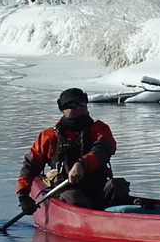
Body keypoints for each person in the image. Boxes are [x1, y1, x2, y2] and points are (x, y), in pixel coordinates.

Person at [16, 87, 129, 215]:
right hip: (66, 189)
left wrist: (82, 164)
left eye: (82, 104)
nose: (78, 108)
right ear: (63, 110)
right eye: (72, 105)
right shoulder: (48, 136)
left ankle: (118, 217)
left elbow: (103, 149)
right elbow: (30, 166)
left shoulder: (100, 129)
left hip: (98, 186)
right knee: (75, 198)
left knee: (118, 186)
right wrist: (23, 195)